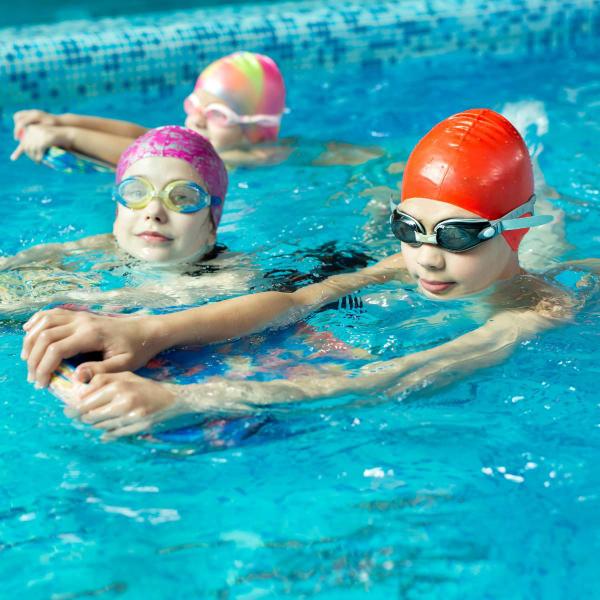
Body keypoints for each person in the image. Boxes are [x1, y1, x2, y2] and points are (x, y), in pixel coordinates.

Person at [22, 108, 597, 440]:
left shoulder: (533, 314)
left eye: (458, 235)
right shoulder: (410, 259)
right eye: (409, 225)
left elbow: (395, 375)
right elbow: (298, 300)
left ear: (512, 228)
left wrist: (191, 398)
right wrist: (150, 331)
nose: (425, 257)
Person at [1, 125, 246, 318]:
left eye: (181, 198)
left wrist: (43, 300)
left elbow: (166, 297)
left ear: (212, 226)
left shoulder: (231, 279)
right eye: (137, 192)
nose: (153, 212)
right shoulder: (107, 244)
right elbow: (54, 251)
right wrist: (11, 263)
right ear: (117, 215)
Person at [10, 52, 287, 167]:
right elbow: (148, 136)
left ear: (257, 131)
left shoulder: (255, 155)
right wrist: (61, 121)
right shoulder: (217, 145)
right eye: (195, 106)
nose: (197, 120)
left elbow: (158, 157)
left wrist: (68, 137)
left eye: (217, 114)